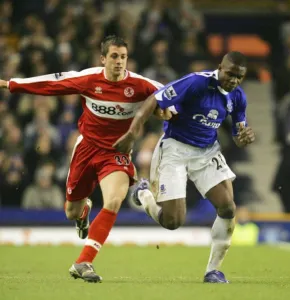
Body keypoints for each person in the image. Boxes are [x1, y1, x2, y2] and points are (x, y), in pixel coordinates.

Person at [0, 35, 171, 283]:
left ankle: (83, 261)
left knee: (113, 200)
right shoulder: (89, 78)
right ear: (103, 58)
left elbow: (174, 95)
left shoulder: (142, 85)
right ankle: (83, 213)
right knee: (71, 211)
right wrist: (10, 84)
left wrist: (170, 112)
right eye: (114, 56)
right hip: (86, 150)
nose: (119, 62)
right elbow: (52, 83)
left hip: (117, 154)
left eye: (123, 57)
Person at [114, 51, 255, 283]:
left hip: (207, 152)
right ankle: (144, 195)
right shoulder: (196, 82)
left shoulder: (238, 97)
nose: (234, 80)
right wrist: (132, 133)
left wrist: (244, 138)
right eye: (230, 74)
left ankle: (213, 271)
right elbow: (155, 99)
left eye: (239, 77)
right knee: (173, 222)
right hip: (175, 149)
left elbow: (238, 134)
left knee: (228, 207)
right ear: (220, 67)